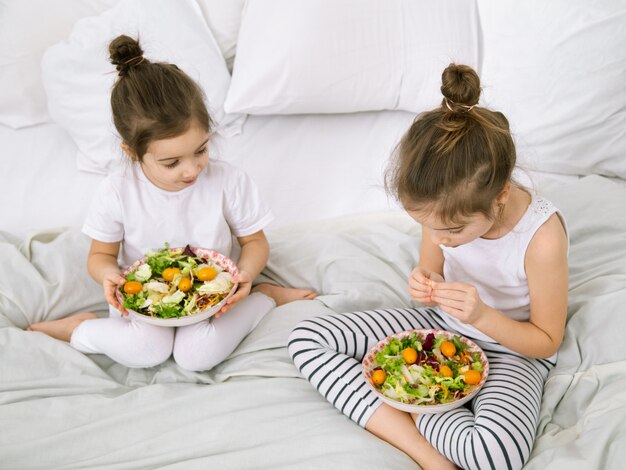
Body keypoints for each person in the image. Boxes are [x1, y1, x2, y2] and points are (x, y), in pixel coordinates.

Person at [288, 63, 568, 470]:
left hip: (512, 348)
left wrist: (482, 315)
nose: (438, 238)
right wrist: (426, 281)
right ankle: (427, 451)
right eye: (426, 226)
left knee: (494, 456)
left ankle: (412, 402)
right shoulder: (439, 214)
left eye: (452, 230)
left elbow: (546, 341)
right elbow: (431, 266)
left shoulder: (541, 239)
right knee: (307, 339)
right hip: (441, 329)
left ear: (501, 195)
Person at [28, 35, 316, 371]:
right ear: (133, 153)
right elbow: (101, 255)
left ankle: (265, 296)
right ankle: (79, 328)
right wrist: (107, 274)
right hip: (144, 300)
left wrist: (248, 274)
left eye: (201, 151)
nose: (192, 170)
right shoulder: (117, 190)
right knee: (146, 352)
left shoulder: (228, 180)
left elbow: (253, 242)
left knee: (196, 358)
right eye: (171, 163)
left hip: (211, 295)